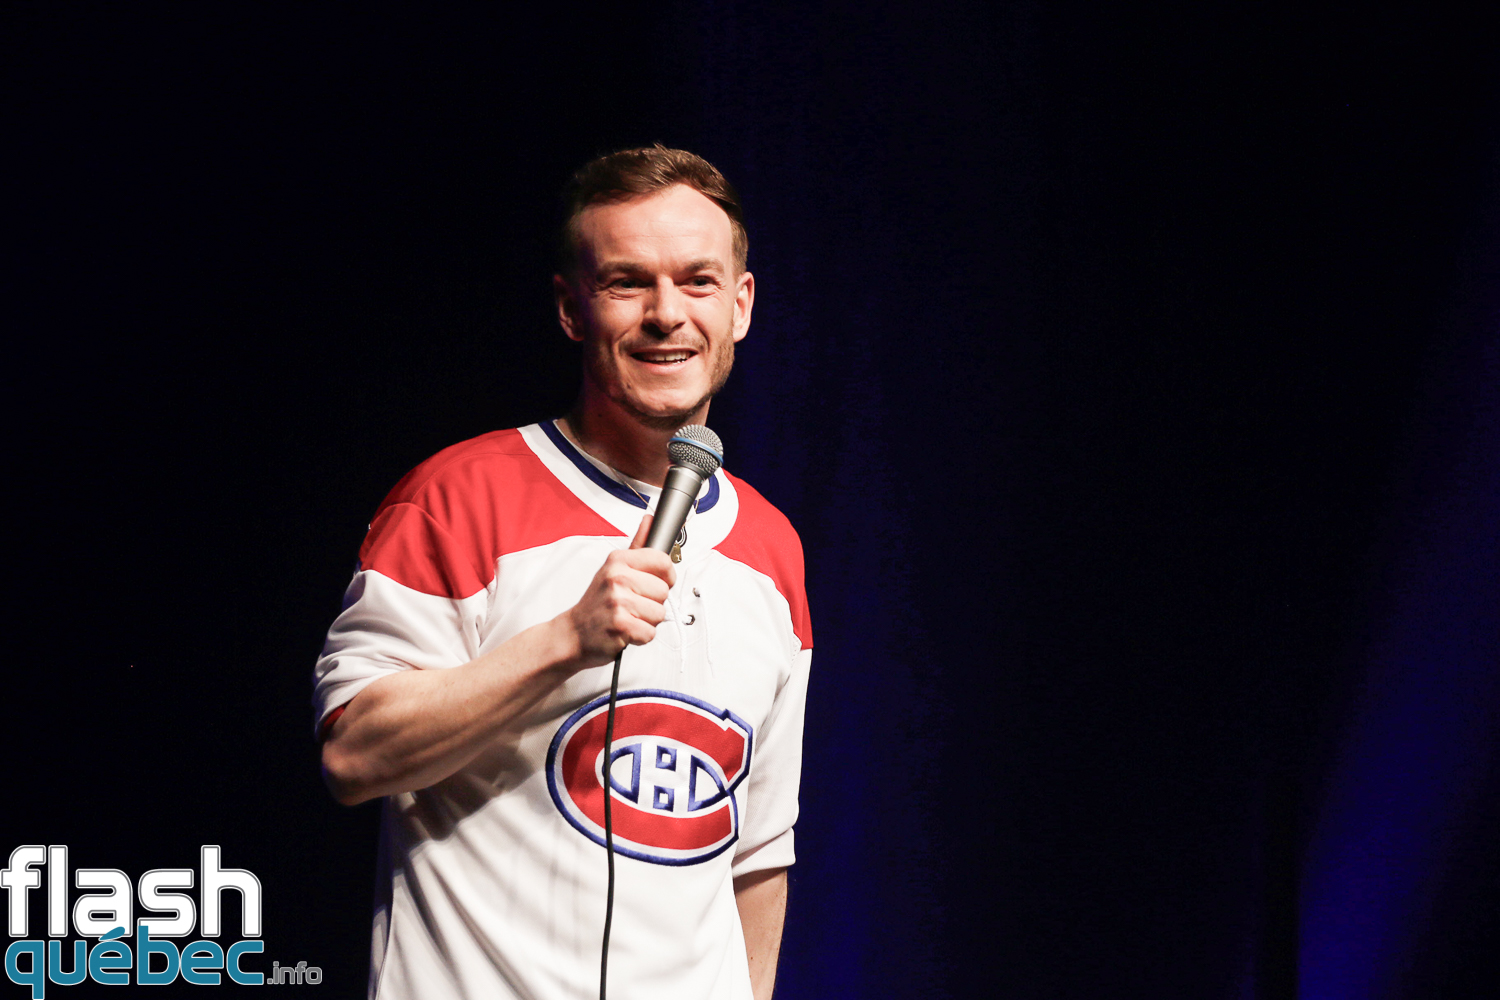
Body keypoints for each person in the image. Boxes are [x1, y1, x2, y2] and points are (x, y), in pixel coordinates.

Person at [312, 146, 812, 1000]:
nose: (666, 314)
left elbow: (758, 853)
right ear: (571, 309)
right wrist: (565, 642)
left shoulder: (773, 547)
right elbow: (353, 755)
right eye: (627, 283)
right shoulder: (457, 497)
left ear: (741, 306)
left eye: (697, 282)